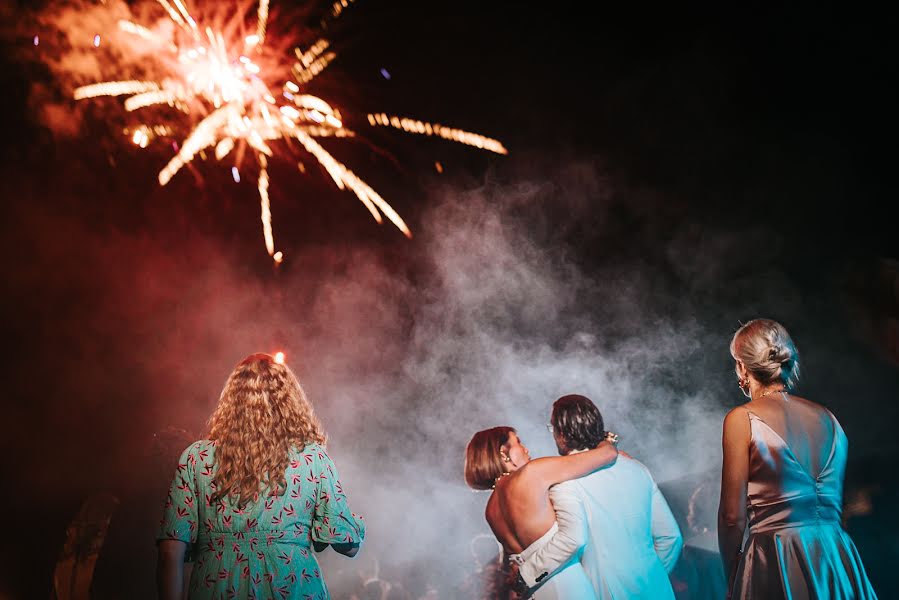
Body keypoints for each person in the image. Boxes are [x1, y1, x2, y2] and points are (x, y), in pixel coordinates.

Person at [156, 353, 365, 599]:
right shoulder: (312, 459)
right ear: (290, 401)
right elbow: (347, 545)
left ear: (232, 400)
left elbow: (170, 551)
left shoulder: (196, 458)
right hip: (293, 589)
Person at [718, 319, 877, 599]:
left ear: (742, 367)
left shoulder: (741, 419)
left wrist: (732, 572)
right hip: (835, 555)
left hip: (776, 555)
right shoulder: (829, 419)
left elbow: (732, 517)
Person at [515, 394, 683, 599]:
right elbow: (671, 537)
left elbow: (573, 539)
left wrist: (527, 575)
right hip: (657, 591)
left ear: (563, 435)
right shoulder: (637, 469)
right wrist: (650, 577)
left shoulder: (566, 481)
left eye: (553, 429)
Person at [463, 425, 619, 599]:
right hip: (567, 590)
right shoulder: (533, 472)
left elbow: (509, 564)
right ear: (502, 453)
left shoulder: (490, 509)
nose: (526, 449)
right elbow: (608, 455)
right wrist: (607, 440)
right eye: (518, 442)